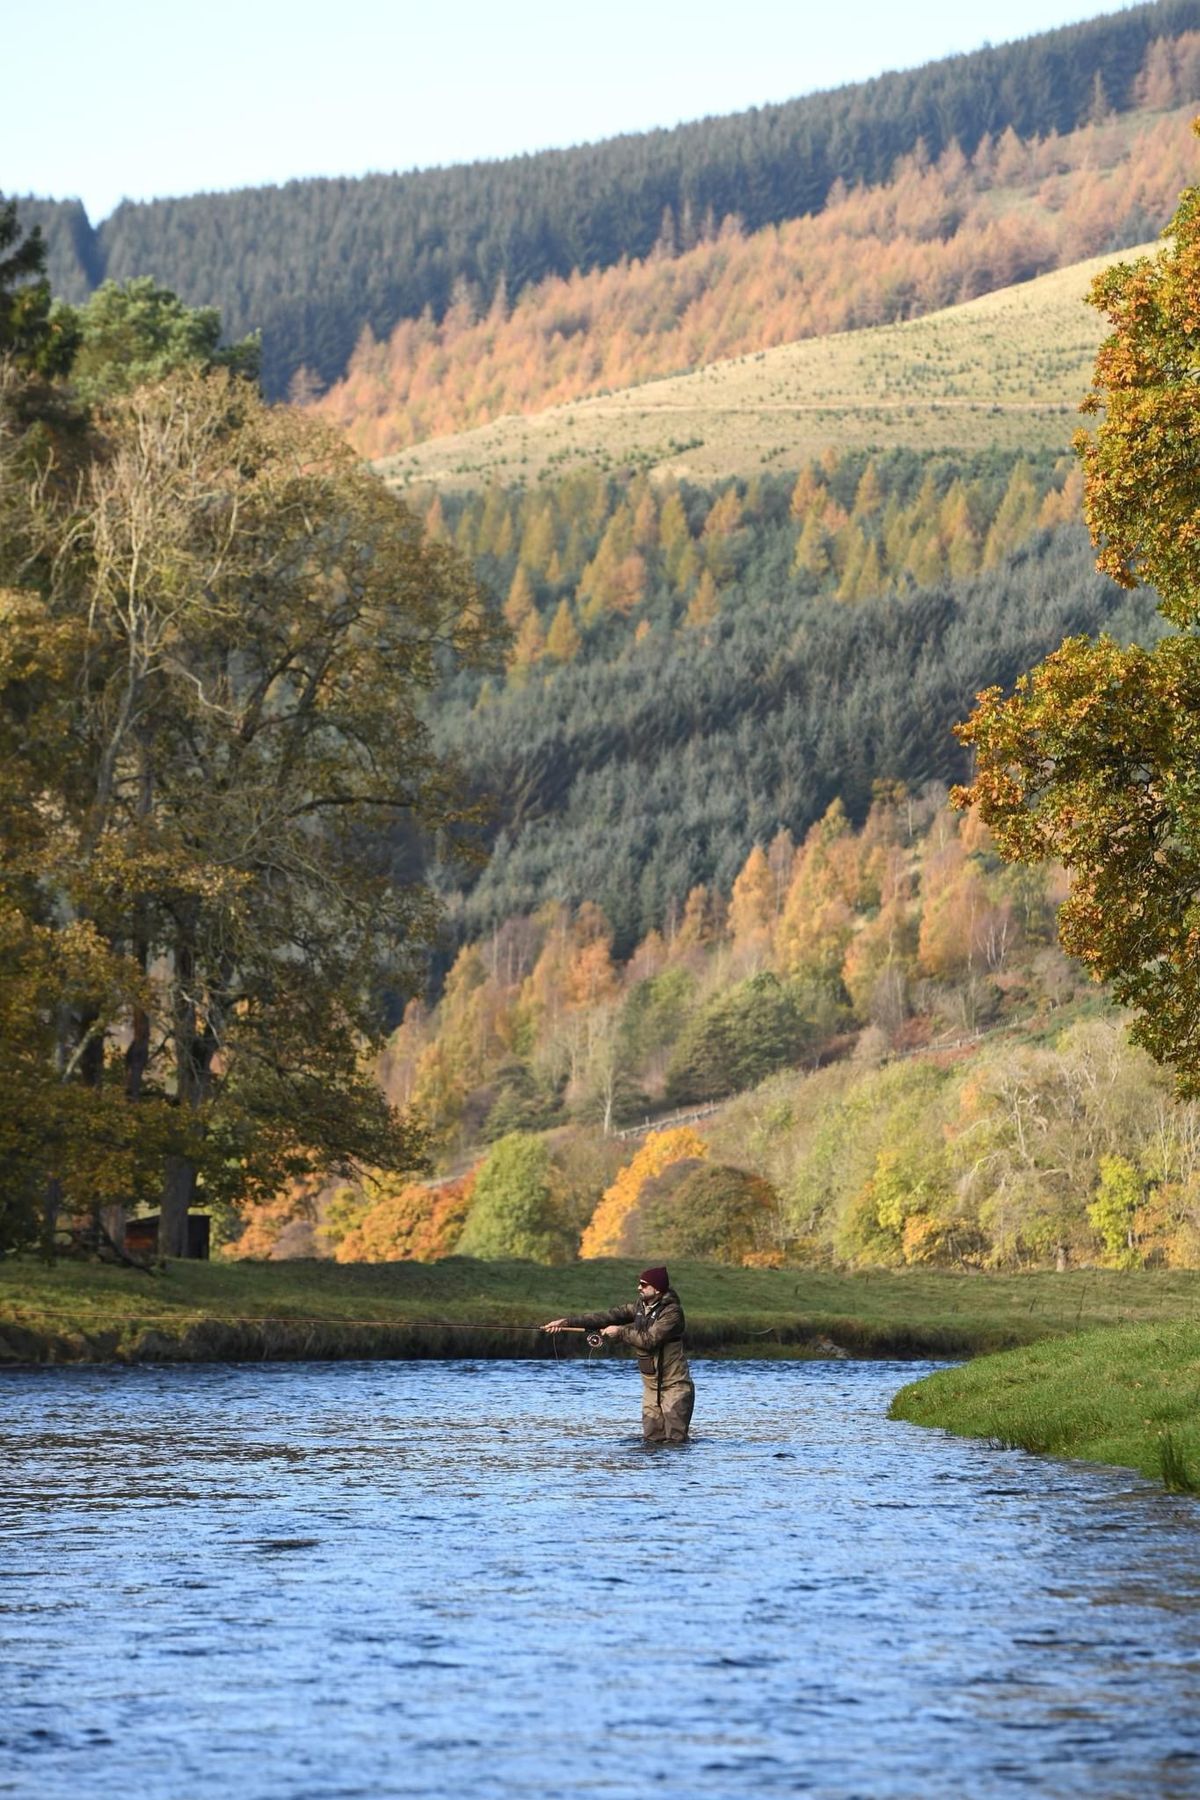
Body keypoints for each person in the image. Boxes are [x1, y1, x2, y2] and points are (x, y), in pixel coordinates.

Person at [542, 1266, 695, 1443]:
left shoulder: (672, 1312)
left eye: (644, 1285)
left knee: (676, 1442)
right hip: (651, 1387)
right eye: (639, 1284)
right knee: (652, 1440)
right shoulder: (639, 1307)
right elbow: (605, 1317)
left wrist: (621, 1332)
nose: (639, 1288)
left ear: (657, 1289)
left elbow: (649, 1340)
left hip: (675, 1386)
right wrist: (566, 1322)